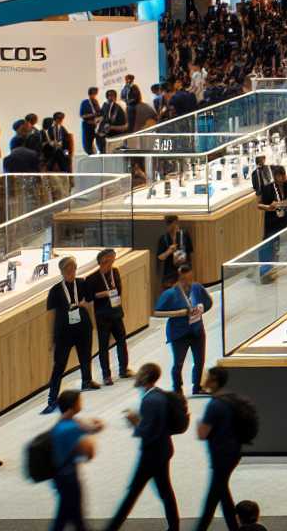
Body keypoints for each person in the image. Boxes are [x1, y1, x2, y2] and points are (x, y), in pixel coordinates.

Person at [103, 363, 182, 531]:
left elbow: (147, 432)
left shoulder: (149, 400)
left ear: (145, 376)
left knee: (133, 492)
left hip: (152, 454)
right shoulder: (159, 395)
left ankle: (112, 527)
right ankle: (174, 527)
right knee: (165, 491)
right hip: (164, 449)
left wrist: (134, 421)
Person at [42, 255, 99, 413]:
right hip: (63, 332)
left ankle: (87, 380)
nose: (71, 272)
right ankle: (52, 398)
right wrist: (50, 338)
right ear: (61, 271)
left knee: (85, 355)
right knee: (59, 365)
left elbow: (89, 303)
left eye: (73, 268)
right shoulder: (55, 290)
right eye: (68, 269)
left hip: (82, 327)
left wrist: (91, 322)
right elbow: (50, 315)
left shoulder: (82, 283)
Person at [194, 365, 246, 531]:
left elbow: (202, 434)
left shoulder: (214, 404)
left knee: (213, 497)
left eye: (207, 377)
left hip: (220, 455)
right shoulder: (231, 399)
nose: (204, 380)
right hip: (234, 451)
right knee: (222, 493)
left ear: (214, 381)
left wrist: (197, 423)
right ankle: (233, 527)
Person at [152, 264, 212, 395]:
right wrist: (180, 313)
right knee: (178, 363)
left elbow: (208, 303)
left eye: (190, 278)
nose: (188, 282)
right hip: (179, 333)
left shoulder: (197, 288)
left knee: (199, 360)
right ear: (179, 279)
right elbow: (157, 312)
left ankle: (197, 387)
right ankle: (177, 389)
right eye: (184, 279)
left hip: (197, 330)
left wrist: (201, 309)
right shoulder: (170, 294)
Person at [49, 389, 103, 531]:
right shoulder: (71, 428)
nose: (82, 404)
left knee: (68, 516)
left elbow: (86, 427)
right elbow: (88, 453)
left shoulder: (63, 422)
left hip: (60, 475)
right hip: (69, 477)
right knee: (71, 517)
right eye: (79, 401)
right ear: (73, 405)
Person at [86, 248, 132, 386]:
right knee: (104, 346)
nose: (112, 261)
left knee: (122, 341)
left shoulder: (115, 272)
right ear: (102, 261)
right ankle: (106, 375)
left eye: (113, 258)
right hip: (103, 316)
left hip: (116, 313)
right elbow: (89, 297)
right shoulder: (92, 278)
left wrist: (111, 293)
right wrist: (103, 294)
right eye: (109, 259)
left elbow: (119, 290)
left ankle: (123, 369)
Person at [156, 214, 193, 288]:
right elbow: (160, 257)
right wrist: (169, 251)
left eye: (170, 223)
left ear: (176, 222)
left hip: (184, 271)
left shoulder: (184, 235)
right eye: (167, 223)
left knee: (186, 294)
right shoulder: (164, 239)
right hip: (170, 275)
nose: (168, 226)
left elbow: (191, 252)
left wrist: (191, 270)